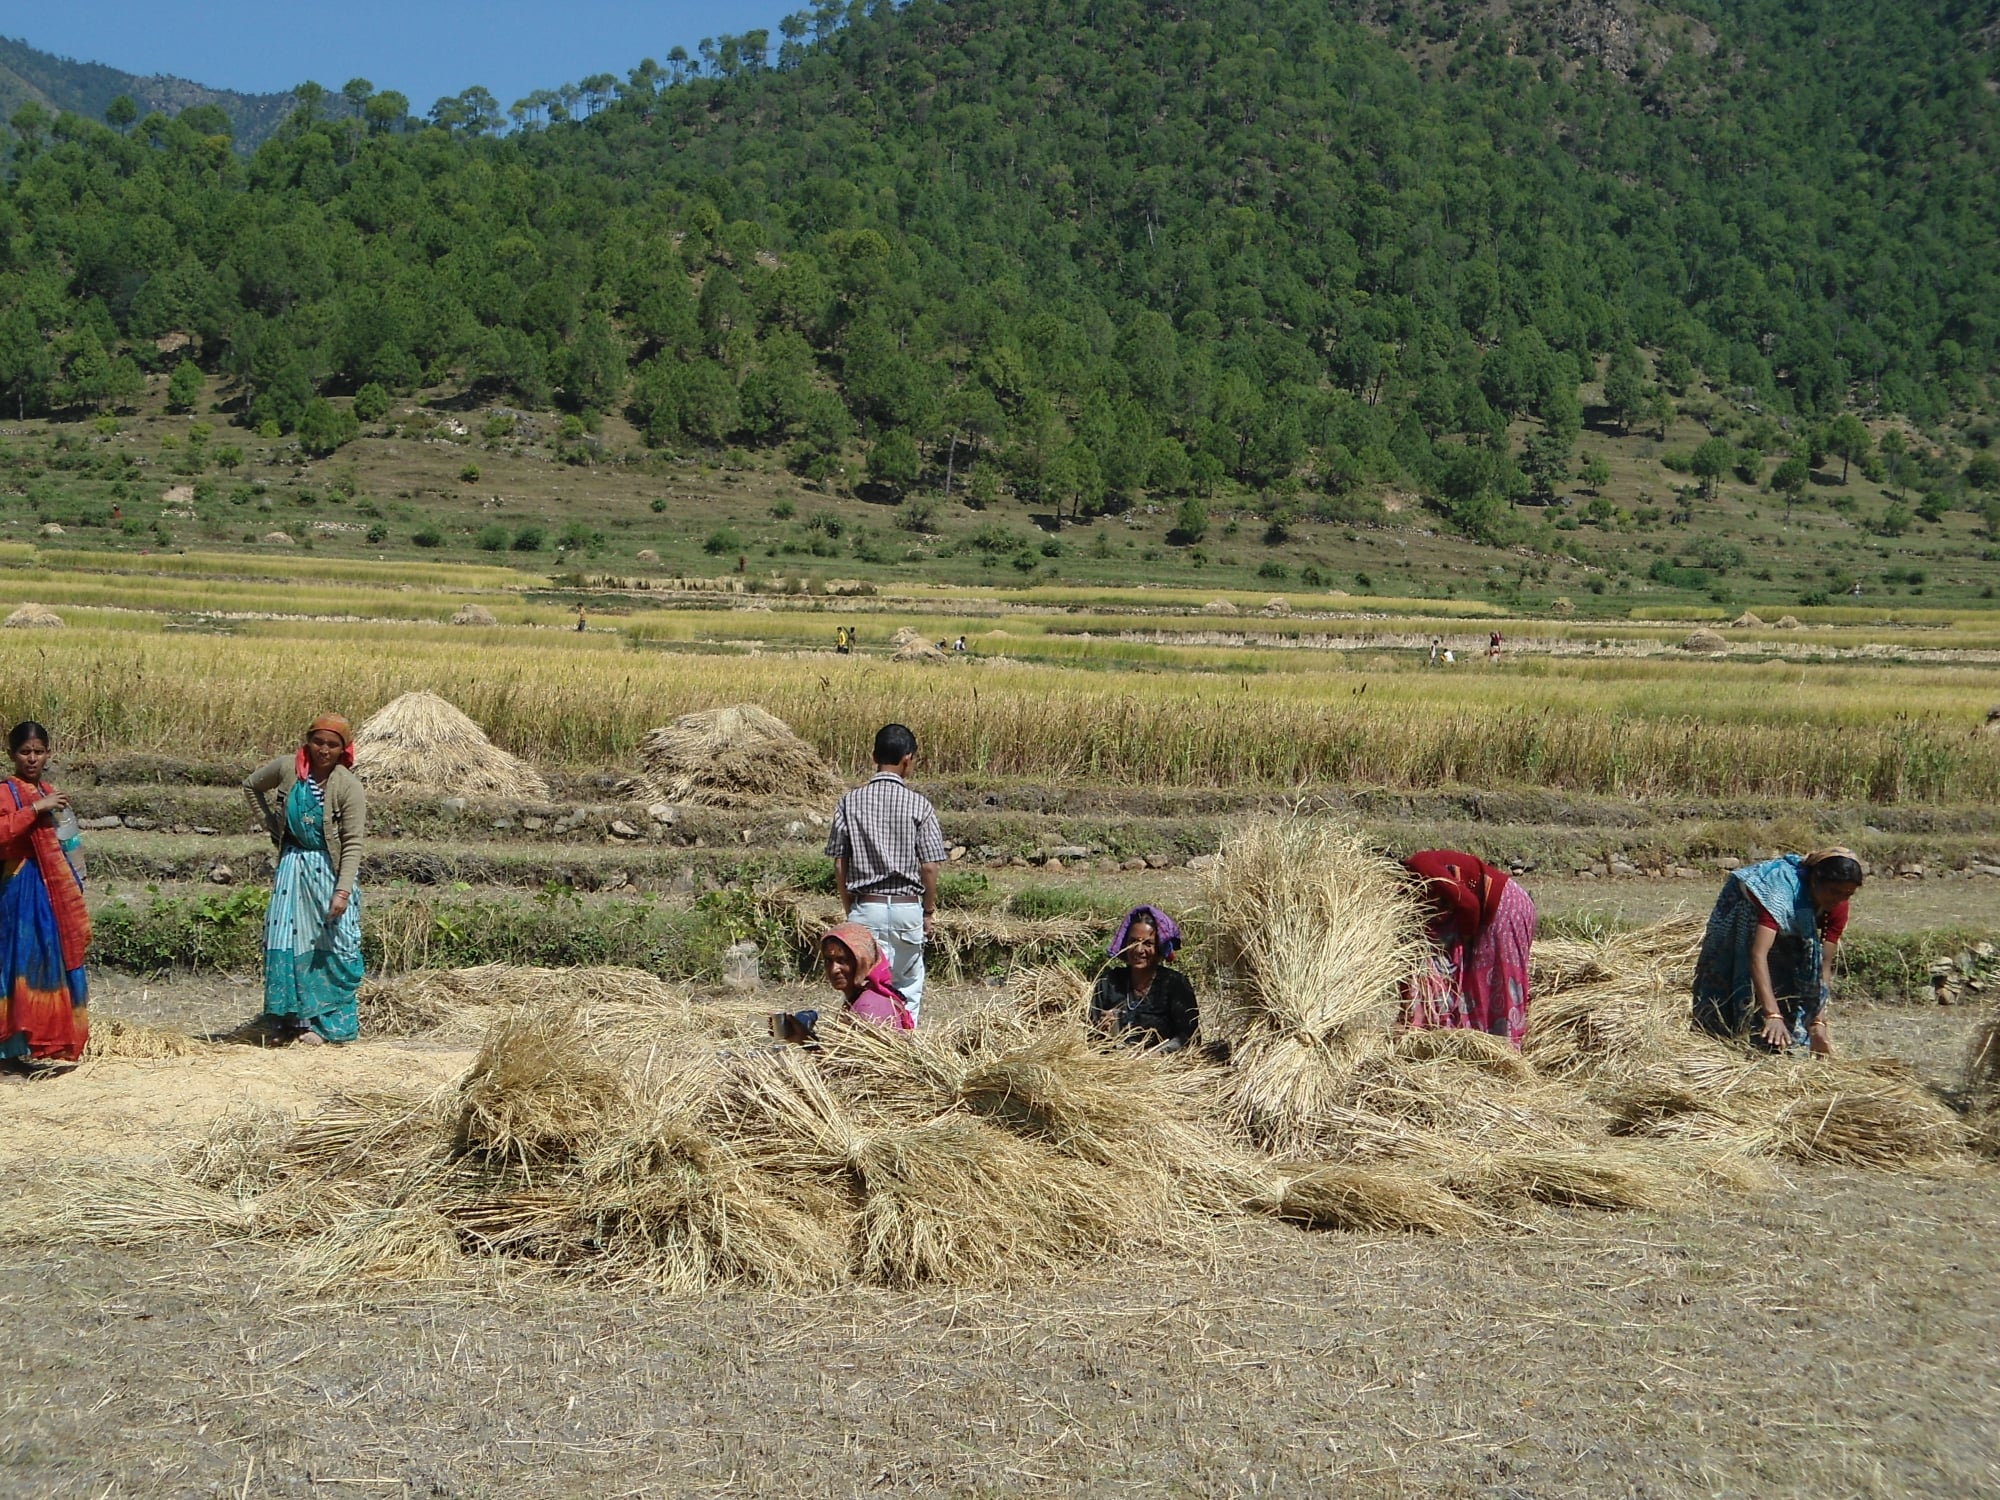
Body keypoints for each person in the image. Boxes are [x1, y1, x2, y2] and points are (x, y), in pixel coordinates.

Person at [243, 715, 367, 1045]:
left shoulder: (348, 786)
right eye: (318, 742)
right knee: (286, 938)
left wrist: (342, 890)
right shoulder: (288, 770)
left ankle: (328, 1023)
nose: (324, 750)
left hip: (327, 872)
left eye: (332, 744)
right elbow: (251, 786)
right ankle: (291, 1021)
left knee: (332, 944)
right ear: (308, 741)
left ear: (344, 749)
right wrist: (272, 825)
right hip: (292, 867)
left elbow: (353, 841)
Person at [825, 723, 946, 1024]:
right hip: (906, 909)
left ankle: (865, 1049)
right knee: (907, 988)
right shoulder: (920, 805)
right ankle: (903, 1047)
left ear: (873, 756)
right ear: (908, 758)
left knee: (864, 988)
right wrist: (927, 912)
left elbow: (840, 862)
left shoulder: (849, 802)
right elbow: (929, 866)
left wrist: (849, 906)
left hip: (866, 906)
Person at [1693, 850, 1864, 1055]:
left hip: (1790, 916)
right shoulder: (1778, 893)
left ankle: (1785, 1038)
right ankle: (1728, 1034)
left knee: (1793, 969)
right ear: (1815, 881)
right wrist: (1773, 1014)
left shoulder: (1838, 905)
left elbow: (1822, 963)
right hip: (1746, 909)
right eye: (1834, 892)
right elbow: (1758, 954)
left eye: (1847, 894)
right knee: (1738, 973)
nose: (1839, 900)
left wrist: (1818, 1019)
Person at [0, 721, 91, 1069]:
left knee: (46, 962)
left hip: (51, 889)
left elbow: (69, 842)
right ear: (12, 755)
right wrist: (36, 809)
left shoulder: (51, 792)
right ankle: (6, 1053)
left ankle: (35, 1043)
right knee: (16, 963)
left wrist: (77, 882)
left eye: (38, 752)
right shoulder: (7, 793)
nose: (32, 758)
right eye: (25, 752)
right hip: (17, 887)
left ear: (48, 754)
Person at [1401, 850, 1537, 1048]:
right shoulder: (1413, 896)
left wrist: (1465, 941)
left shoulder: (1421, 865)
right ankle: (1477, 1048)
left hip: (1504, 907)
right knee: (1477, 985)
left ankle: (1505, 1051)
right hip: (1485, 915)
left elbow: (1469, 905)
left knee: (1499, 982)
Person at [773, 923, 918, 1041]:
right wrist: (803, 1039)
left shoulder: (868, 1008)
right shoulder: (860, 999)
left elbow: (852, 1072)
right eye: (828, 961)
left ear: (862, 962)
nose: (834, 969)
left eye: (842, 961)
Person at [1090, 905, 1198, 1052]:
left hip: (1163, 1068)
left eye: (1148, 943)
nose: (1139, 950)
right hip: (1114, 1066)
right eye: (1133, 942)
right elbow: (1090, 1036)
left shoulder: (1175, 985)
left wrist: (1156, 1055)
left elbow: (1189, 1037)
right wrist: (1102, 1030)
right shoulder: (1109, 982)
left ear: (1159, 947)